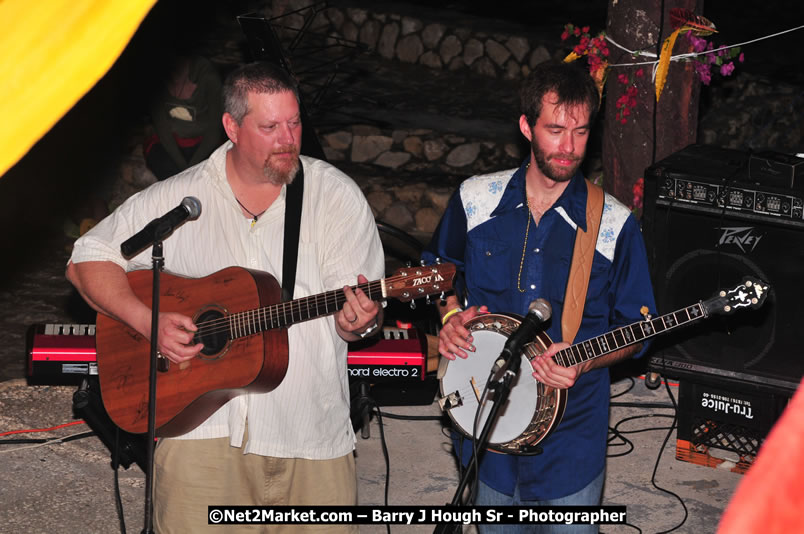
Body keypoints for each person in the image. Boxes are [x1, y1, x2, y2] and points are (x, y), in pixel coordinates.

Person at [66, 61, 384, 533]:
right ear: (231, 127)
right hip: (201, 438)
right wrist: (145, 319)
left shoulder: (334, 197)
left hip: (311, 435)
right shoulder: (181, 199)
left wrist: (357, 322)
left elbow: (355, 314)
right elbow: (86, 258)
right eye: (270, 126)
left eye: (294, 122)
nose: (287, 139)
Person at [423, 61, 656, 533]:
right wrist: (449, 315)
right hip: (483, 427)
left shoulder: (613, 225)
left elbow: (639, 330)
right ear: (526, 126)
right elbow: (439, 271)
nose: (568, 147)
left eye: (581, 131)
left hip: (570, 442)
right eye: (554, 130)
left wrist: (585, 360)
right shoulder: (476, 199)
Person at [143, 54, 224, 180]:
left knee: (212, 170)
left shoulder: (208, 78)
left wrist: (191, 168)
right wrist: (183, 171)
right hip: (172, 144)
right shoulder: (155, 78)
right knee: (161, 163)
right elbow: (162, 129)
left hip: (203, 143)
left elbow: (214, 129)